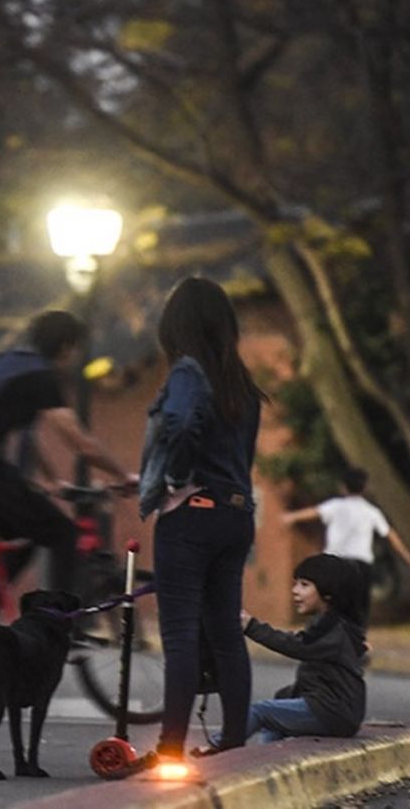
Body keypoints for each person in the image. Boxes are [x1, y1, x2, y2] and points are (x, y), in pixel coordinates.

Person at [113, 277, 268, 778]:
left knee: (179, 632)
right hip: (236, 514)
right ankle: (235, 742)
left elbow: (180, 425)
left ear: (176, 325)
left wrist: (176, 477)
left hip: (191, 514)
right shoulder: (239, 381)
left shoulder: (187, 372)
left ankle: (171, 747)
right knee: (225, 631)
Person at [0, 310, 135, 592]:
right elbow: (81, 443)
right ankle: (50, 623)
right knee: (64, 535)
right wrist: (123, 474)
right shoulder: (40, 376)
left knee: (25, 533)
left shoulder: (7, 364)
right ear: (67, 347)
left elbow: (25, 435)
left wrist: (52, 481)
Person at [207, 553, 367, 750]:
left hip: (333, 712)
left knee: (260, 712)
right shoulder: (328, 625)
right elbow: (321, 674)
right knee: (279, 704)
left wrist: (252, 627)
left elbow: (297, 646)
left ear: (328, 592)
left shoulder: (334, 629)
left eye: (304, 585)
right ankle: (268, 758)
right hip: (335, 710)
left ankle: (219, 745)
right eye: (296, 584)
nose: (295, 591)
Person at [282, 467, 410, 624]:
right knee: (358, 606)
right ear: (364, 488)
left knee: (329, 602)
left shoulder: (336, 506)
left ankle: (324, 633)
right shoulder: (371, 511)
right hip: (360, 564)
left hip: (335, 562)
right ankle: (356, 638)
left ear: (343, 487)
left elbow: (314, 512)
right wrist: (407, 556)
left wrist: (292, 517)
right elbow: (389, 534)